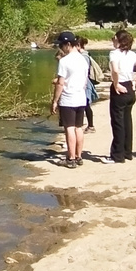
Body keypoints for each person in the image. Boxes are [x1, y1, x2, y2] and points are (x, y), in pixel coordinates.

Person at [101, 30, 136, 164]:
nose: (112, 41)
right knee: (127, 121)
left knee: (118, 122)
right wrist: (135, 80)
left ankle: (117, 155)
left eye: (114, 38)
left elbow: (115, 70)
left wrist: (116, 84)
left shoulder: (114, 53)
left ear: (119, 41)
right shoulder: (132, 54)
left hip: (120, 87)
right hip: (129, 87)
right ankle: (127, 152)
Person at [51, 31, 91, 168]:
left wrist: (55, 100)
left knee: (69, 128)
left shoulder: (64, 61)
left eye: (61, 45)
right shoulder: (83, 59)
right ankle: (79, 156)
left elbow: (60, 83)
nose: (60, 48)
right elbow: (85, 81)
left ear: (68, 44)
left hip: (68, 99)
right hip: (81, 98)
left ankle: (71, 158)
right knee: (79, 128)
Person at [76, 36, 102, 133]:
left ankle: (90, 126)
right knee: (85, 105)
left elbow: (84, 71)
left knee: (86, 104)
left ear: (78, 45)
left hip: (85, 83)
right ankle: (86, 125)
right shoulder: (84, 55)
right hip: (85, 82)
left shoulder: (83, 56)